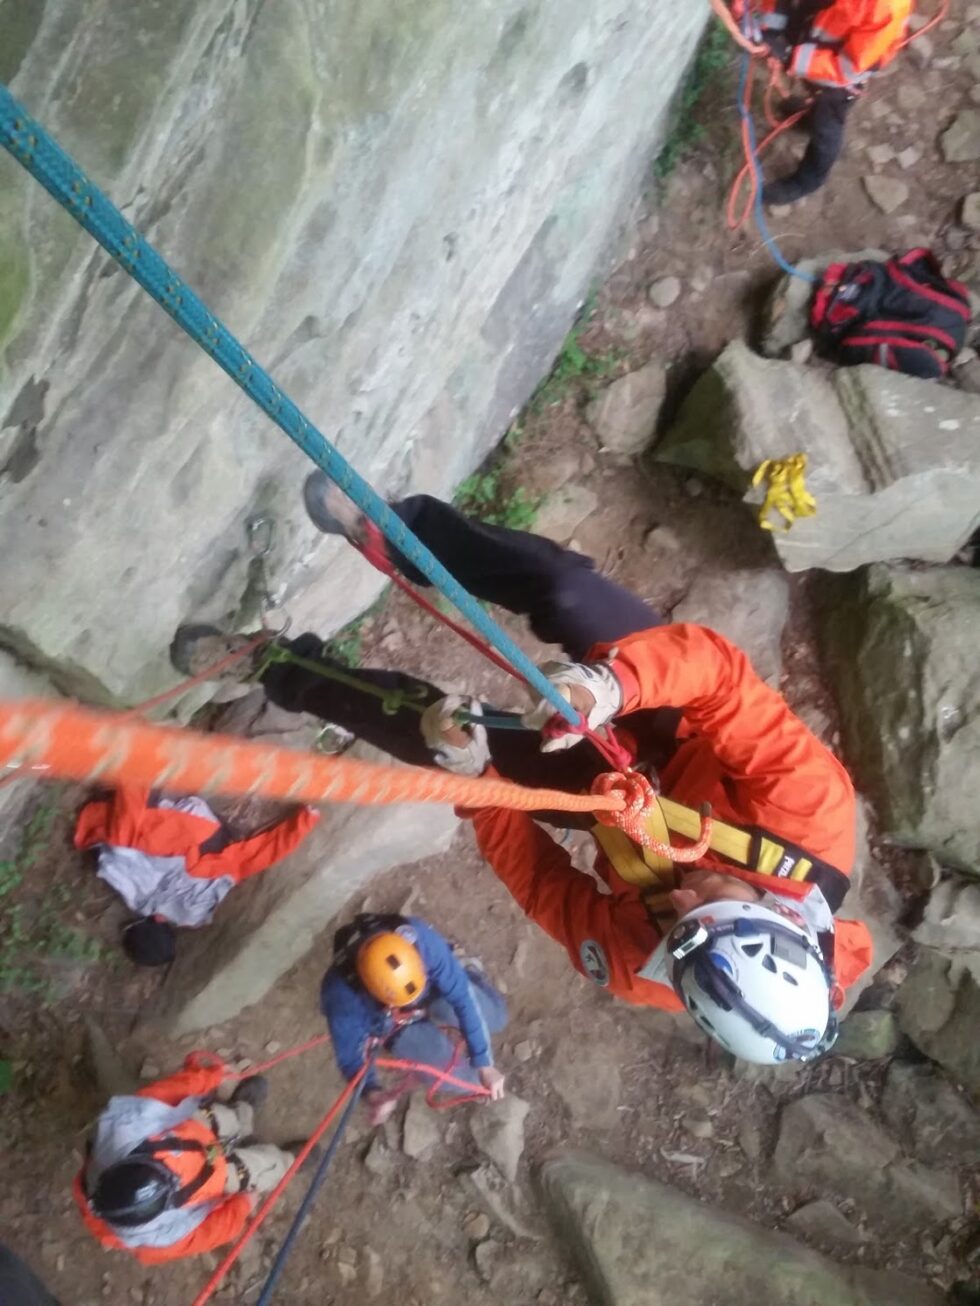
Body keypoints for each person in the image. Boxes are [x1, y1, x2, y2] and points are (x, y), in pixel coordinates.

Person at [176, 479, 873, 1065]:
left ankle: (277, 665)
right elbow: (719, 682)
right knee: (565, 592)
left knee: (436, 733)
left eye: (677, 923)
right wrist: (611, 686)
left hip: (606, 807)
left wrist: (477, 780)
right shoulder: (811, 816)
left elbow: (543, 883)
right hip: (675, 724)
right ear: (779, 911)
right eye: (712, 899)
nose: (683, 896)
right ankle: (397, 532)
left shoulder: (647, 967)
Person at [76, 1059, 299, 1262]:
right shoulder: (158, 1239)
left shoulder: (122, 1129)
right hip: (213, 1180)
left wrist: (212, 1076)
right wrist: (243, 1205)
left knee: (220, 1118)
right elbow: (209, 1233)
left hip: (189, 1135)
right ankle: (289, 1161)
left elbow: (168, 1092)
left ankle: (241, 1114)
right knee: (263, 1168)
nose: (173, 1174)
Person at [74, 785, 318, 966]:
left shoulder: (198, 909)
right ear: (147, 922)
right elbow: (121, 851)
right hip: (182, 829)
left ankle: (136, 768)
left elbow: (254, 859)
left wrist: (303, 823)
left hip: (206, 833)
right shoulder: (143, 899)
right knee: (129, 838)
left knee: (133, 837)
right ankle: (135, 764)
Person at [709, 0, 912, 205]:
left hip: (840, 78)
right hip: (814, 32)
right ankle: (810, 116)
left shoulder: (886, 8)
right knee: (817, 101)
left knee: (826, 126)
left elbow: (848, 68)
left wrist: (791, 57)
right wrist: (771, 30)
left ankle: (808, 180)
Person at [320, 912, 507, 1125]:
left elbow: (463, 998)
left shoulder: (420, 940)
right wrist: (372, 1093)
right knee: (464, 1078)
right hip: (391, 1020)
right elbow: (351, 1058)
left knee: (496, 1018)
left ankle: (465, 967)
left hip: (431, 987)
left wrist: (484, 1063)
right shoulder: (341, 996)